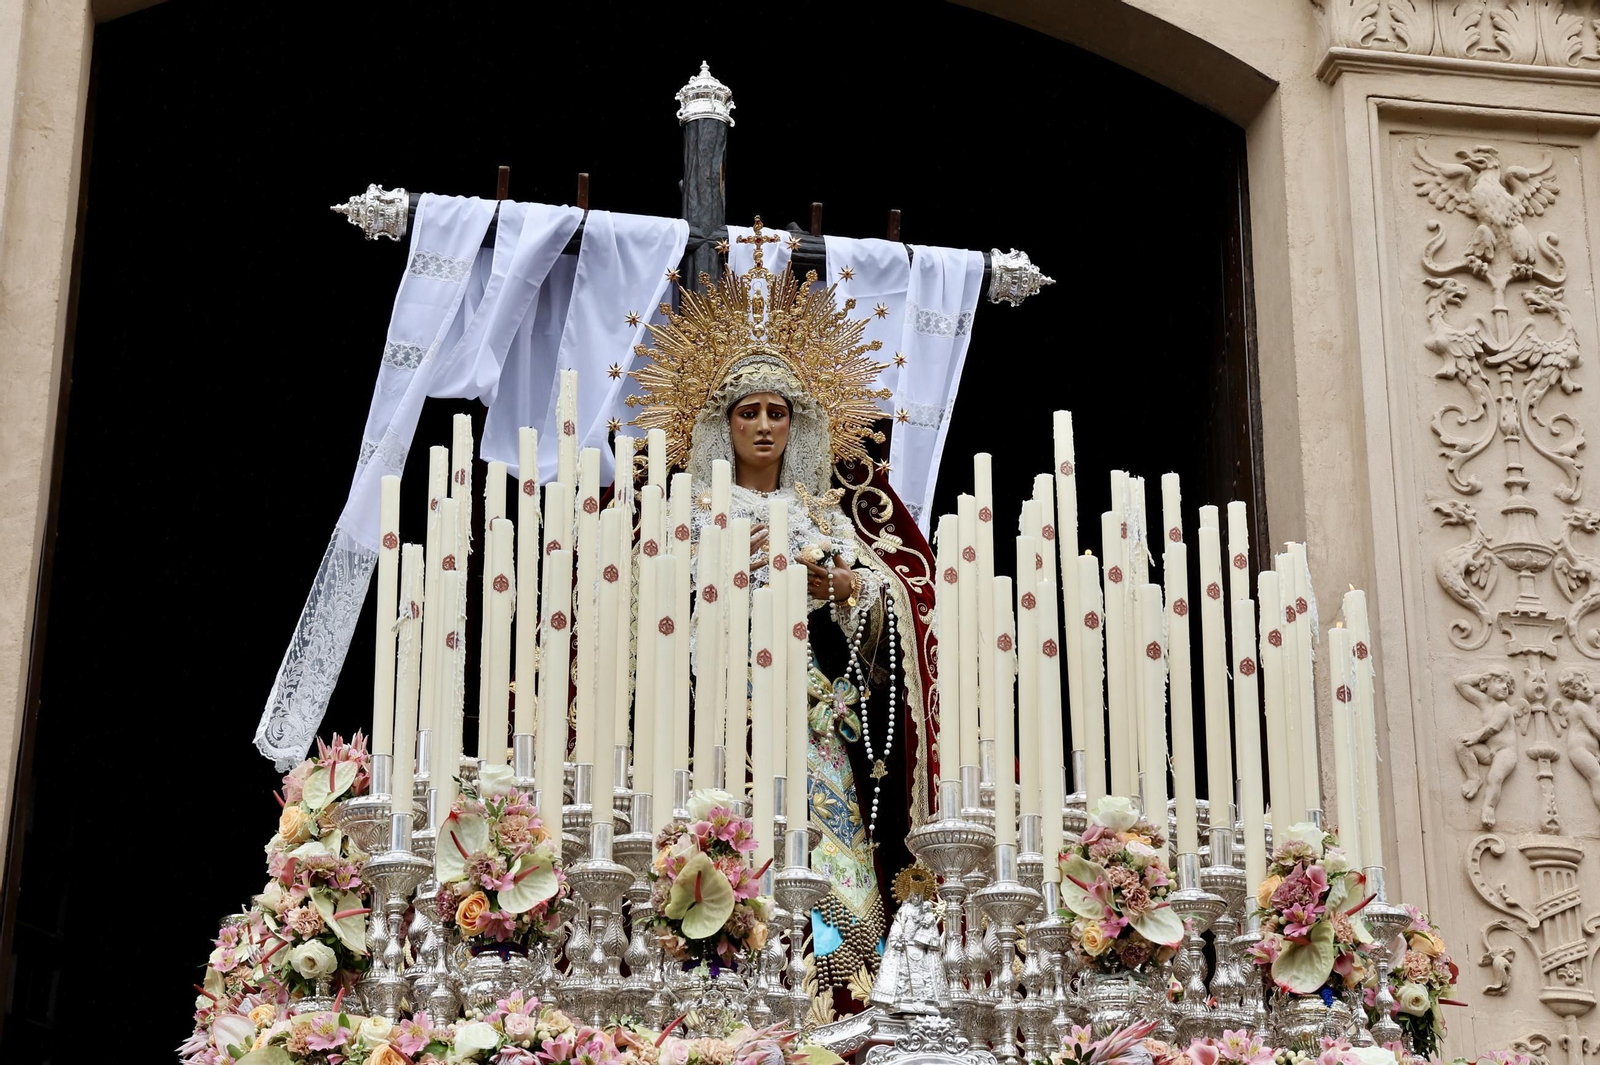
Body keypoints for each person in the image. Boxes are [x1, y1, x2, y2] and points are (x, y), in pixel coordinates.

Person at [626, 241, 941, 1010]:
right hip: (718, 714)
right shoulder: (689, 517)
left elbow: (882, 606)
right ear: (721, 423)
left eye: (778, 411)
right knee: (725, 853)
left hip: (810, 720)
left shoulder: (823, 519)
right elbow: (652, 611)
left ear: (798, 423)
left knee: (835, 874)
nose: (764, 425)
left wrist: (833, 582)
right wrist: (723, 573)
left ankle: (839, 995)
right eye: (748, 411)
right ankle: (719, 985)